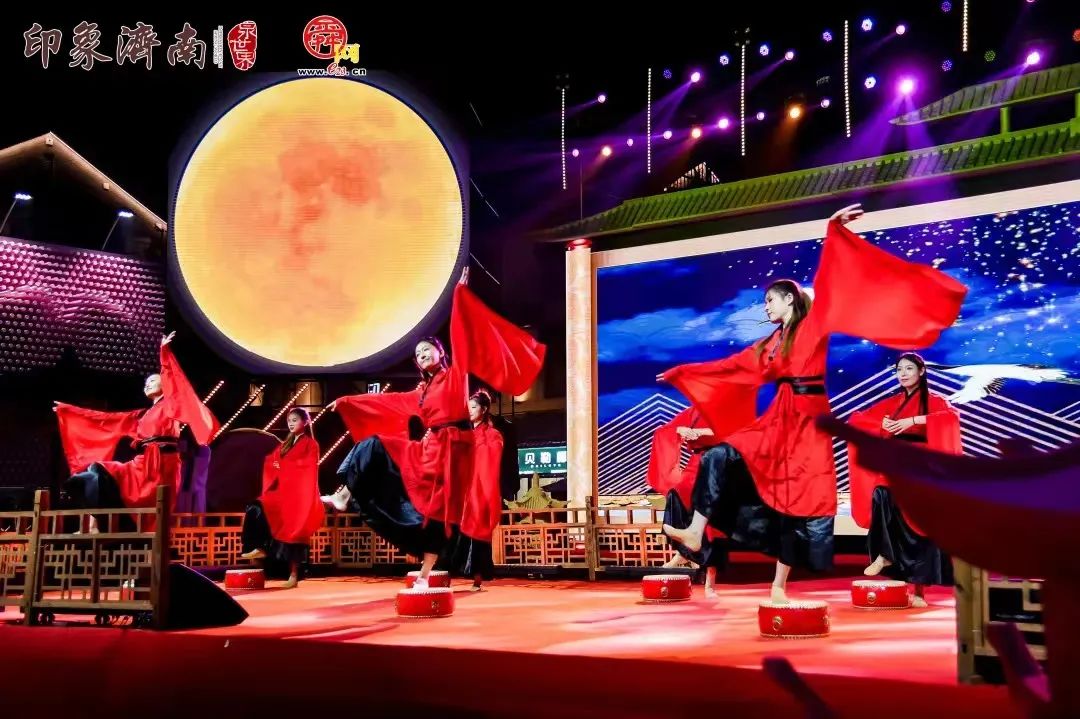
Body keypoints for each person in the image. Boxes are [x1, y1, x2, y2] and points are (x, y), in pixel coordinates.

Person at [658, 204, 967, 603]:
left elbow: (828, 280)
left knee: (795, 503)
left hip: (808, 422)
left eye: (771, 300)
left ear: (790, 299)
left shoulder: (813, 325)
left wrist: (833, 230)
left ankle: (779, 586)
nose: (766, 307)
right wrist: (683, 371)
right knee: (719, 455)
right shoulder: (771, 343)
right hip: (778, 418)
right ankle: (696, 530)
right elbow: (732, 366)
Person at [321, 268, 545, 588]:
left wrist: (459, 297)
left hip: (452, 455)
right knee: (372, 445)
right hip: (427, 451)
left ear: (441, 352)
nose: (422, 354)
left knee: (438, 517)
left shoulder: (455, 377)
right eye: (417, 354)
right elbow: (389, 402)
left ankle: (426, 576)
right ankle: (344, 494)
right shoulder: (422, 392)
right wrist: (347, 401)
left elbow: (461, 336)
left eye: (427, 349)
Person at [55, 332, 219, 532]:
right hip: (141, 464)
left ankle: (142, 536)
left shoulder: (170, 405)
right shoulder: (142, 415)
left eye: (153, 380)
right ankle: (94, 525)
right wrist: (69, 411)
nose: (147, 384)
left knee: (156, 509)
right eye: (145, 383)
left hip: (162, 465)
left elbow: (174, 380)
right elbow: (106, 420)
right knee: (95, 472)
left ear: (164, 384)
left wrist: (164, 353)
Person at [846, 353, 961, 606]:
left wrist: (915, 420)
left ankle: (919, 591)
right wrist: (881, 424)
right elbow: (858, 419)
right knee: (881, 494)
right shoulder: (893, 402)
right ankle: (885, 554)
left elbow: (951, 419)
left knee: (918, 527)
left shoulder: (935, 401)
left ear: (921, 371)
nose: (903, 374)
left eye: (909, 368)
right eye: (899, 370)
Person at [240, 408, 324, 589]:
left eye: (295, 420)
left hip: (299, 495)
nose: (291, 423)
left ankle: (294, 575)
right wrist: (276, 464)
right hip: (283, 491)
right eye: (289, 420)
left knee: (295, 535)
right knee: (256, 506)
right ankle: (260, 546)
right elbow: (272, 459)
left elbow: (309, 466)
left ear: (305, 422)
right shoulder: (286, 443)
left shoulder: (311, 444)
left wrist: (285, 465)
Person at [646, 407, 724, 598]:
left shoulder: (724, 407)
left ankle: (710, 582)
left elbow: (733, 431)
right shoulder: (693, 411)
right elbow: (665, 430)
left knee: (711, 522)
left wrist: (700, 432)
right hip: (695, 463)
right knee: (677, 494)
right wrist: (680, 430)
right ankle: (683, 552)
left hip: (717, 462)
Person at [437, 389, 504, 591]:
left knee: (476, 533)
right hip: (461, 489)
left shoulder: (493, 435)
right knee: (452, 533)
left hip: (478, 489)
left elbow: (490, 464)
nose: (470, 411)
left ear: (484, 409)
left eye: (473, 407)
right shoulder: (465, 434)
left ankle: (477, 578)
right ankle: (444, 576)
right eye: (468, 407)